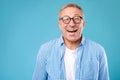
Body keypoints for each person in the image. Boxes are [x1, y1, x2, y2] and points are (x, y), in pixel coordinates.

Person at [32, 3, 109, 80]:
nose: (72, 24)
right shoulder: (45, 50)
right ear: (60, 24)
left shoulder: (98, 51)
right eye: (66, 19)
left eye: (77, 19)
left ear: (83, 24)